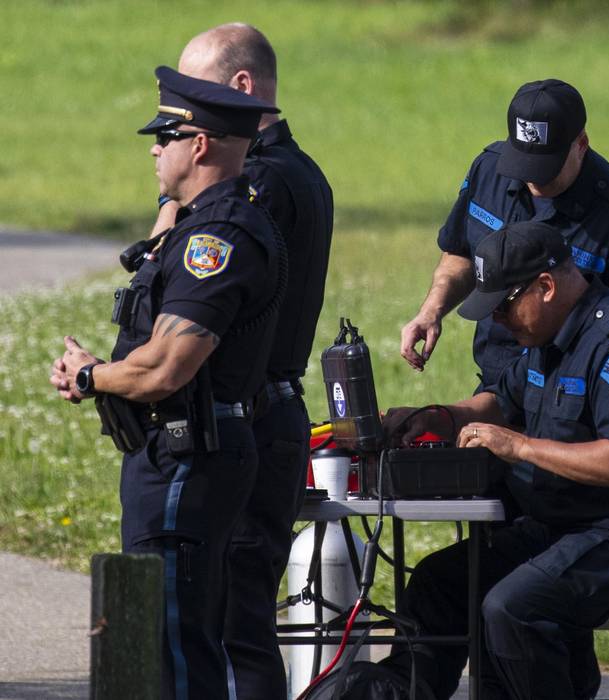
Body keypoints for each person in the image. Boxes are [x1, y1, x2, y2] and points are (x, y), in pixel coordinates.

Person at [380, 221, 609, 700]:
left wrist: (519, 446)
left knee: (515, 606)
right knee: (440, 583)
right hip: (560, 527)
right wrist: (432, 418)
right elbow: (499, 402)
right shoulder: (544, 339)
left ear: (545, 287)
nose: (499, 323)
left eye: (503, 308)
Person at [49, 68, 282, 700]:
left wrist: (95, 375)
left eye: (165, 136)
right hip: (170, 454)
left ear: (199, 144)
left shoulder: (219, 239)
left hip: (189, 459)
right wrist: (97, 372)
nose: (155, 149)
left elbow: (166, 368)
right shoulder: (193, 225)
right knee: (164, 639)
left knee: (174, 644)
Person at [153, 24, 335, 699]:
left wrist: (175, 205)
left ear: (239, 89)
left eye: (194, 100)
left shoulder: (260, 182)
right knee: (227, 618)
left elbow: (188, 290)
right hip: (261, 414)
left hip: (250, 417)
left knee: (232, 625)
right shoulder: (294, 170)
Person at [400, 79, 609, 388]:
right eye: (523, 161)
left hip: (577, 401)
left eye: (546, 166)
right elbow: (462, 253)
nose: (533, 178)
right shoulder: (489, 171)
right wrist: (431, 311)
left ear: (581, 144)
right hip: (498, 387)